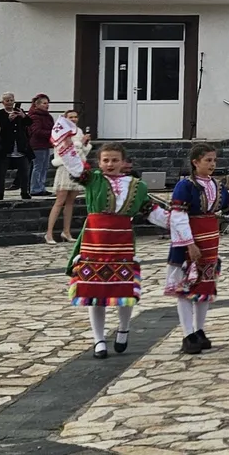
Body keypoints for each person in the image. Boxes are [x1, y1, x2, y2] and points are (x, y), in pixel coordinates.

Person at [65, 138, 168, 358]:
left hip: (121, 243)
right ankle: (99, 340)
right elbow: (74, 165)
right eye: (105, 160)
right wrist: (65, 142)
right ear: (99, 163)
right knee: (95, 293)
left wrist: (177, 223)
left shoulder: (137, 186)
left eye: (115, 160)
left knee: (125, 289)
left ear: (123, 162)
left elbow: (150, 210)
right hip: (95, 242)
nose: (110, 164)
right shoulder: (92, 179)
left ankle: (123, 328)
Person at [164, 143, 229, 354]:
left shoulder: (216, 186)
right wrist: (189, 243)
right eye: (207, 160)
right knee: (185, 289)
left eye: (214, 160)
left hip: (209, 243)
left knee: (205, 287)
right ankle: (187, 333)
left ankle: (199, 330)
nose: (212, 164)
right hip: (189, 243)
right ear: (195, 162)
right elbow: (178, 217)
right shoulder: (185, 186)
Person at [45, 109, 90, 243]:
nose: (74, 119)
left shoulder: (79, 131)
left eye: (76, 117)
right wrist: (80, 143)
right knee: (60, 201)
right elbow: (66, 150)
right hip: (65, 168)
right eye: (71, 117)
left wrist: (85, 144)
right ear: (66, 118)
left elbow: (82, 152)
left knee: (71, 202)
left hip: (77, 168)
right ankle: (49, 233)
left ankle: (66, 232)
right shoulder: (62, 132)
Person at [0, 93, 31, 201]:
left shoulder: (19, 111)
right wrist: (8, 120)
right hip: (5, 147)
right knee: (1, 173)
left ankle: (25, 192)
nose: (10, 102)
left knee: (24, 171)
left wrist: (23, 116)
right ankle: (0, 193)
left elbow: (29, 123)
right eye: (7, 100)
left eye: (11, 100)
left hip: (20, 146)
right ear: (3, 102)